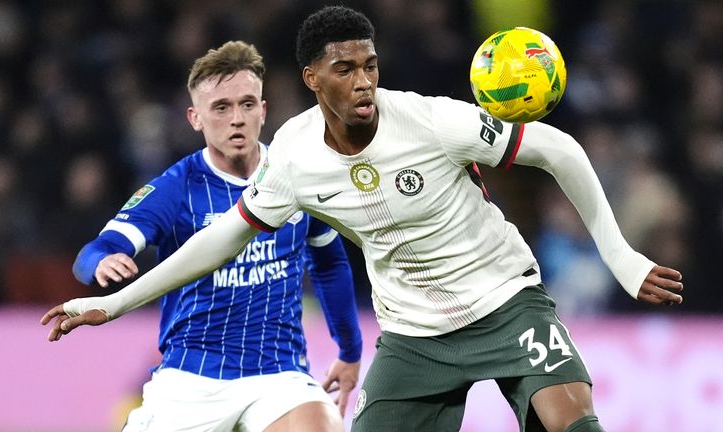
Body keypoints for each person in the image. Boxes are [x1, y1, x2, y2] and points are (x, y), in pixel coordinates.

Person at [42, 7, 684, 432]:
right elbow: (221, 239)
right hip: (412, 336)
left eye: (370, 65)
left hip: (505, 301)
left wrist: (622, 258)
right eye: (344, 69)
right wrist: (115, 303)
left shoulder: (432, 120)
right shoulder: (293, 157)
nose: (363, 82)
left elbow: (557, 148)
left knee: (568, 419)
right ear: (313, 78)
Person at [50, 41, 363, 432]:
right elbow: (94, 251)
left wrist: (350, 350)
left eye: (248, 104)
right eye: (221, 107)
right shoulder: (175, 189)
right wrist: (102, 261)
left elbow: (330, 264)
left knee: (323, 425)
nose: (237, 118)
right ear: (195, 118)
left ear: (263, 111)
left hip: (279, 375)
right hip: (192, 376)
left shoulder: (296, 176)